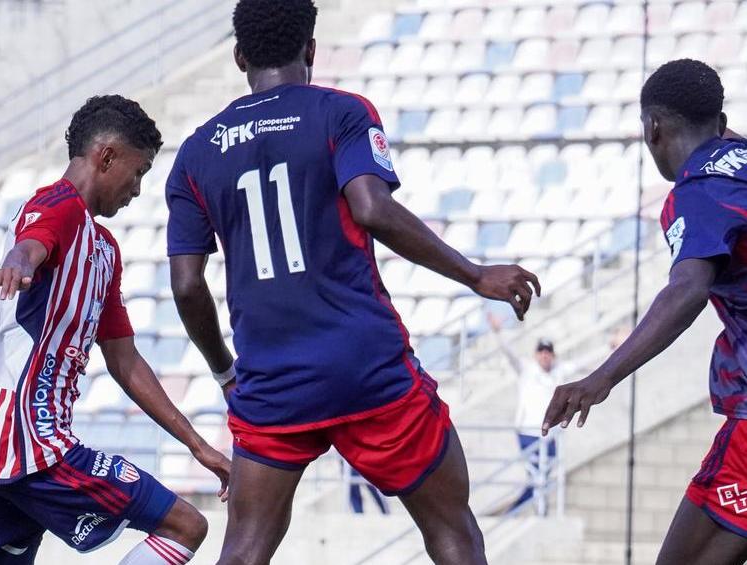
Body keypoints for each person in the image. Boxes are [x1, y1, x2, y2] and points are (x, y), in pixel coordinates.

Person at [164, 1, 542, 563]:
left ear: (240, 56)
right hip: (365, 365)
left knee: (243, 550)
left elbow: (188, 285)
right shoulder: (342, 113)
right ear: (311, 50)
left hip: (272, 377)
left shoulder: (196, 152)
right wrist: (474, 273)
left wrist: (225, 370)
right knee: (450, 527)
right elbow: (370, 208)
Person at [0, 95, 232, 565]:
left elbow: (125, 361)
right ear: (106, 157)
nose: (137, 189)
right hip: (31, 446)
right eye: (138, 173)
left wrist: (197, 445)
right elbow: (33, 243)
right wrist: (18, 262)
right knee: (185, 525)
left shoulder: (104, 250)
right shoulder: (58, 205)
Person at [543, 59, 747, 565]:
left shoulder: (697, 196)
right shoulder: (740, 159)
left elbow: (687, 289)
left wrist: (602, 377)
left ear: (652, 128)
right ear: (720, 125)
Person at [487, 313, 576, 513]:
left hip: (550, 434)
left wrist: (613, 348)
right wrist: (499, 332)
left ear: (553, 355)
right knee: (537, 476)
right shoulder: (527, 369)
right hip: (527, 432)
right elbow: (509, 353)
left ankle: (516, 512)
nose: (545, 355)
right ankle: (538, 513)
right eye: (541, 352)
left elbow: (586, 363)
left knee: (540, 478)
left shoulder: (559, 371)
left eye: (548, 352)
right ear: (536, 354)